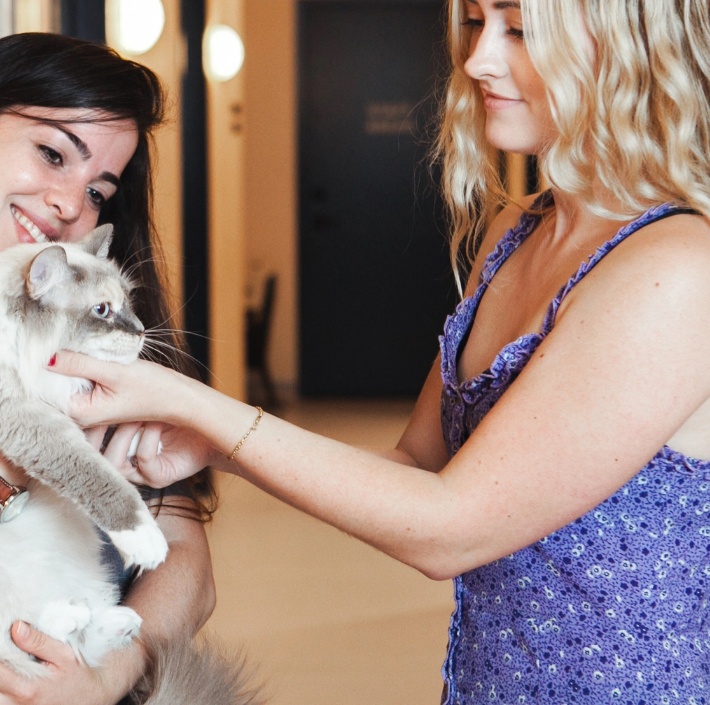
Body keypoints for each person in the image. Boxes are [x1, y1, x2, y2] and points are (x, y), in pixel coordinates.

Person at [50, 0, 710, 701]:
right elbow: (413, 469)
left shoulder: (678, 270)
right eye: (475, 23)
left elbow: (451, 526)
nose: (478, 59)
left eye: (518, 29)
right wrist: (214, 444)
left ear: (626, 43)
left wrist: (192, 403)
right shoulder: (518, 230)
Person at [0, 32, 217, 705]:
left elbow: (186, 558)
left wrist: (110, 675)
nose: (70, 203)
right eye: (52, 153)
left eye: (98, 189)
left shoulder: (97, 331)